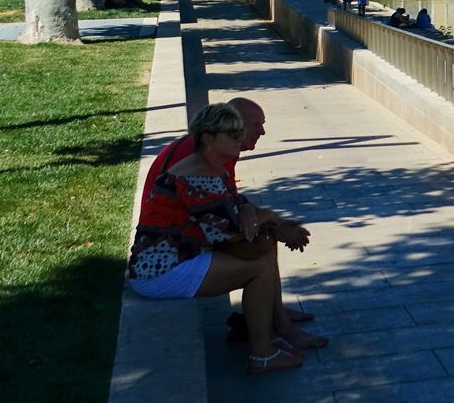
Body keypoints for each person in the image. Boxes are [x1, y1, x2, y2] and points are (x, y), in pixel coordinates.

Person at [129, 103, 324, 375]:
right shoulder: (196, 175)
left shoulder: (210, 165)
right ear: (208, 139)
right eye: (233, 134)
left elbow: (234, 206)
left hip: (179, 256)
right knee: (259, 266)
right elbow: (238, 242)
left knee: (263, 254)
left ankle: (271, 330)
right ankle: (262, 353)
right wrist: (271, 221)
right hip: (160, 270)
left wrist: (258, 217)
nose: (241, 138)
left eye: (240, 132)